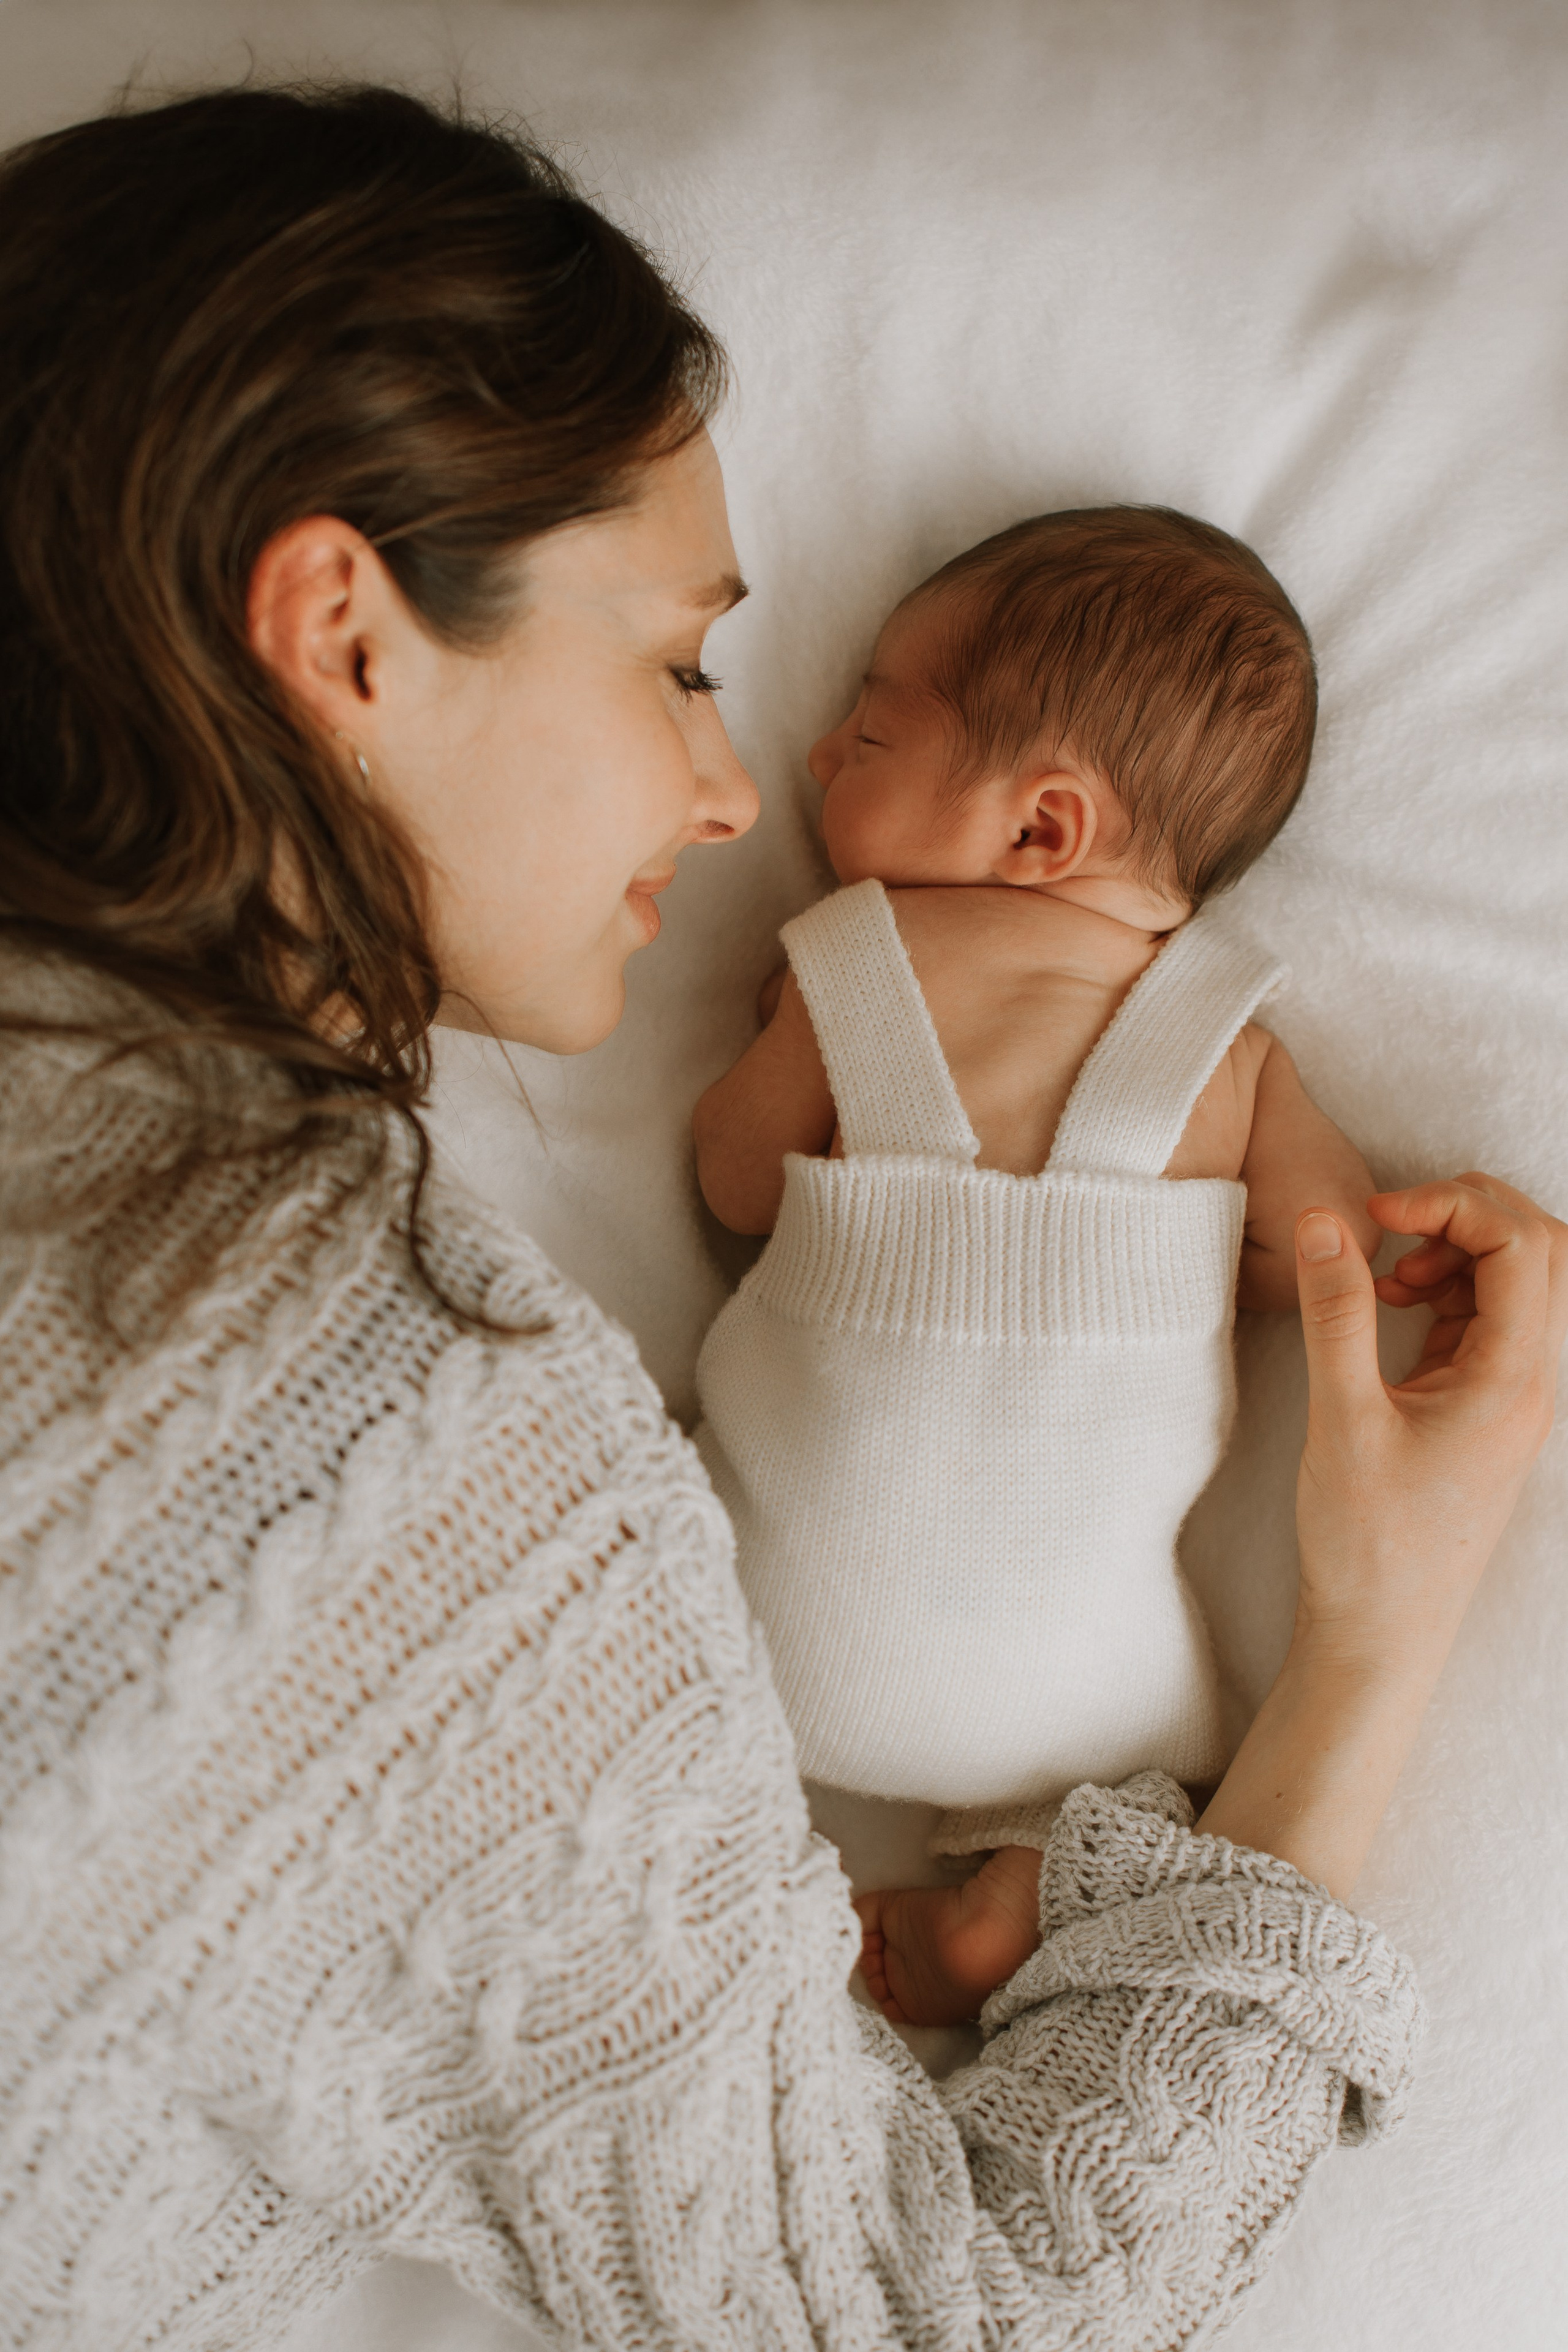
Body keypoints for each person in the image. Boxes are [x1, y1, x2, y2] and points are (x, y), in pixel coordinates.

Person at [0, 81, 1561, 2352]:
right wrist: (1374, 1647)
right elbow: (944, 2323)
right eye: (677, 661)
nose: (739, 785)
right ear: (343, 627)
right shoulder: (391, 1472)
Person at [691, 507, 1382, 2027]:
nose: (817, 757)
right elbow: (1321, 1264)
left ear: (1040, 828)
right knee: (1131, 1794)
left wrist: (775, 1046)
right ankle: (1013, 1892)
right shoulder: (1231, 1047)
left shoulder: (858, 958)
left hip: (754, 1624)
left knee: (639, 1599)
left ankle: (702, 1868)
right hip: (1070, 1698)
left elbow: (731, 1187)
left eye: (867, 733)